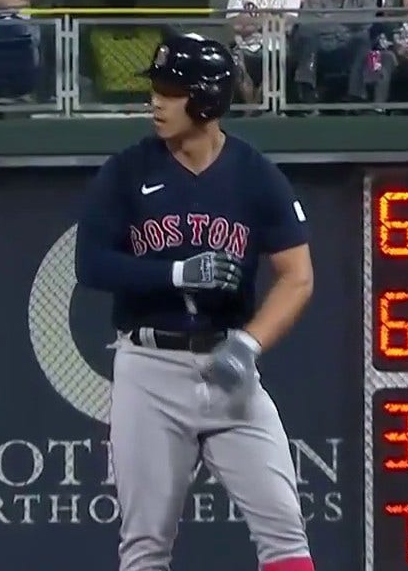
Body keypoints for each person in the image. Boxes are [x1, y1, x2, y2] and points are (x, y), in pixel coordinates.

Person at [74, 33, 316, 571]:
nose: (155, 102)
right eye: (156, 89)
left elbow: (298, 277)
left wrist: (249, 345)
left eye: (170, 91)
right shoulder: (127, 171)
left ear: (205, 99)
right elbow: (90, 266)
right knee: (145, 545)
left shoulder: (254, 174)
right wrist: (176, 272)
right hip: (149, 369)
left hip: (227, 367)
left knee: (285, 533)